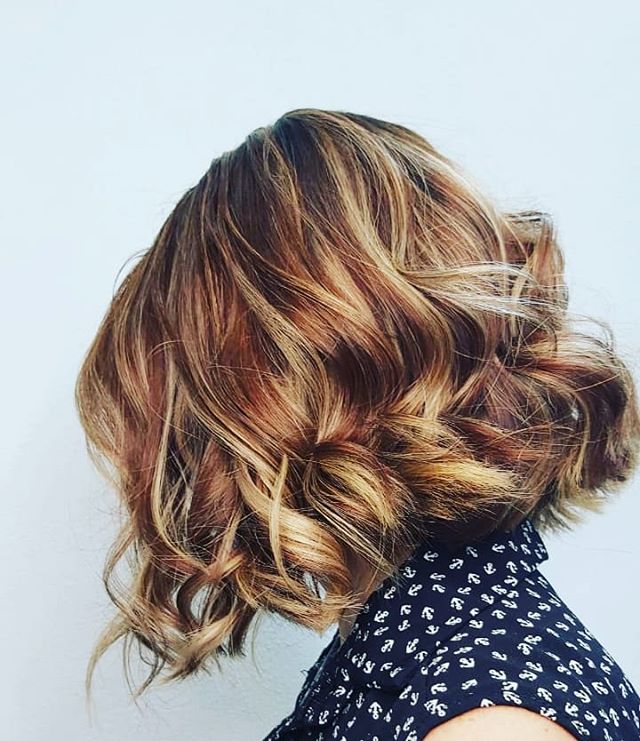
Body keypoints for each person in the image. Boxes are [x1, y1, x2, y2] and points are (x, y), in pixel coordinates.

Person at [75, 108, 640, 740]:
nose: (165, 459)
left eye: (188, 409)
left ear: (274, 401)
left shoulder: (486, 718)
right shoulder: (404, 648)